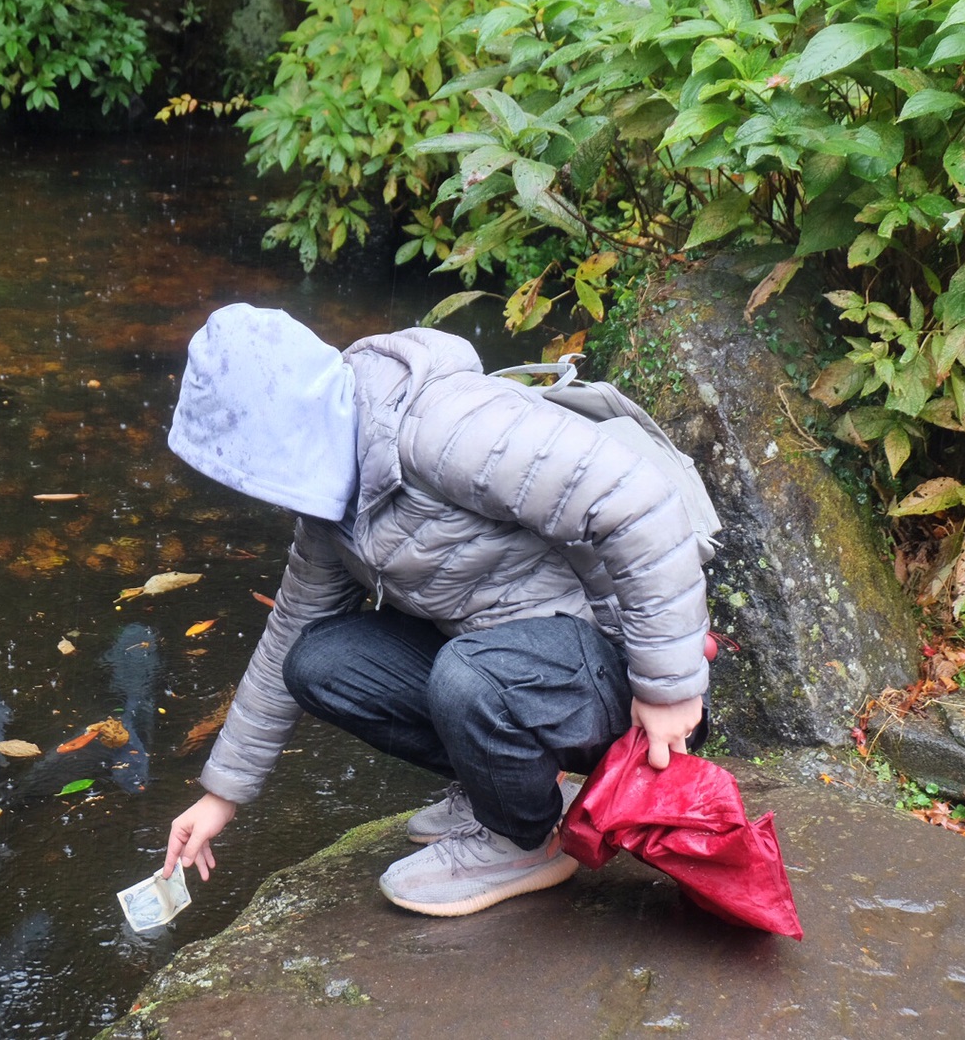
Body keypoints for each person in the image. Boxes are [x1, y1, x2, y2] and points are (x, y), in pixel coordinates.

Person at [161, 304, 710, 917]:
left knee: (468, 673)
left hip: (614, 673)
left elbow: (640, 503)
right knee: (318, 660)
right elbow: (291, 628)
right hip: (506, 671)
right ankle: (505, 790)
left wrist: (668, 691)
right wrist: (222, 795)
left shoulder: (446, 427)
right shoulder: (330, 486)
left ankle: (522, 841)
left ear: (291, 421)